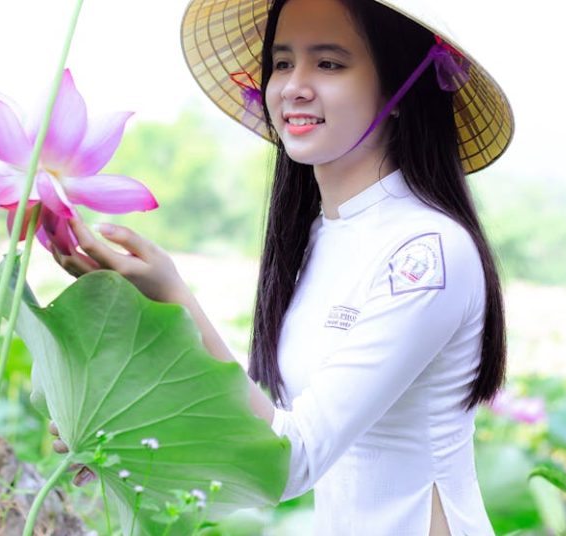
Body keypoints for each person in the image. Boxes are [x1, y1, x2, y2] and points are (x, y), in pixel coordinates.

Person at [49, 0, 515, 533]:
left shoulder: (428, 252)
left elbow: (290, 458)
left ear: (400, 89)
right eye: (283, 62)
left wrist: (172, 295)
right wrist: (122, 429)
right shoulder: (322, 236)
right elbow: (265, 424)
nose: (294, 85)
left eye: (330, 63)